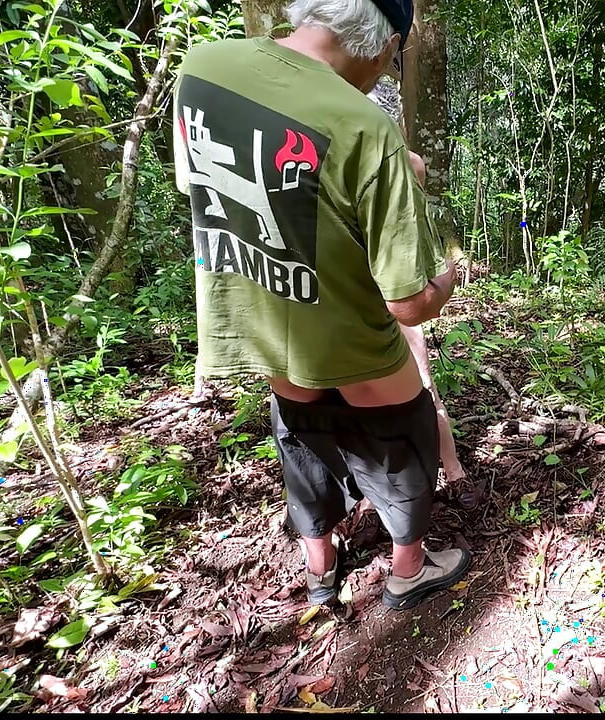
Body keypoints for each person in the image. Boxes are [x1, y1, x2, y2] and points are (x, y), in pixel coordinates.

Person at [171, 0, 470, 611]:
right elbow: (408, 304)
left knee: (301, 425)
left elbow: (198, 183)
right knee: (402, 431)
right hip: (347, 327)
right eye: (393, 57)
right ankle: (408, 568)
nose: (387, 70)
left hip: (260, 316)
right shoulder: (366, 124)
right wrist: (448, 277)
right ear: (381, 41)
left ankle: (321, 562)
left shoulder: (201, 68)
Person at [364, 77, 468, 492]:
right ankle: (375, 497)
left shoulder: (408, 164)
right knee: (368, 399)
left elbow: (412, 232)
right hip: (361, 293)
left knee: (423, 385)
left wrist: (439, 280)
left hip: (396, 289)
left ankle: (453, 469)